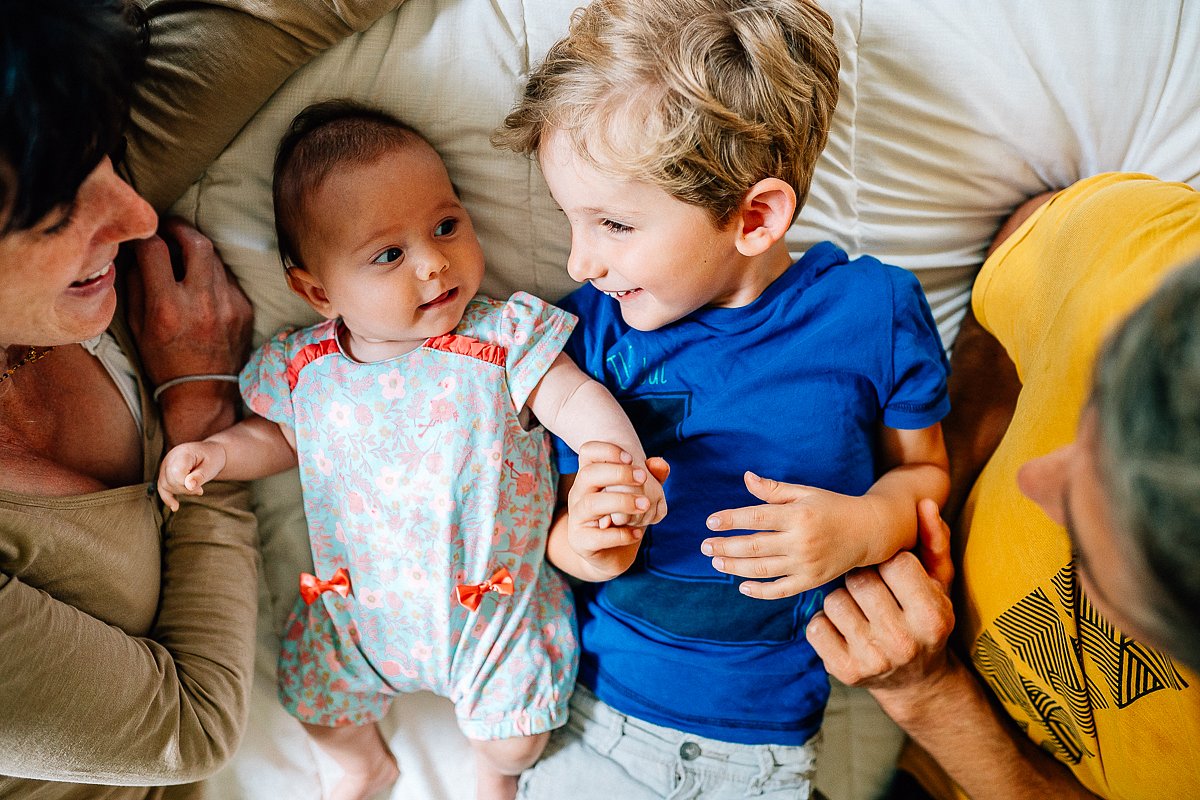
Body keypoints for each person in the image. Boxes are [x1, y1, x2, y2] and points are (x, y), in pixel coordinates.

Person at [493, 0, 952, 796]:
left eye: (612, 224)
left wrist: (862, 526)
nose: (580, 261)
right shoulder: (589, 336)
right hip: (600, 726)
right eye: (572, 221)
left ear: (754, 216)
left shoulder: (872, 314)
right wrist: (587, 537)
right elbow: (555, 547)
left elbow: (928, 478)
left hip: (767, 753)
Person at [155, 100, 666, 800]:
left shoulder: (501, 340)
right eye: (389, 254)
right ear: (316, 290)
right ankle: (364, 764)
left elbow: (573, 400)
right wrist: (216, 455)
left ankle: (493, 779)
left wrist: (613, 457)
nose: (433, 263)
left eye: (446, 226)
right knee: (318, 703)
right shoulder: (306, 370)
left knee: (515, 737)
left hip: (492, 610)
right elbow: (278, 439)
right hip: (357, 614)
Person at [806, 172, 1200, 799]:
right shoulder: (1145, 264)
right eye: (1089, 423)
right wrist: (928, 489)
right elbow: (1036, 249)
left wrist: (928, 694)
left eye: (1085, 535)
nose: (1030, 478)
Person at [0, 2, 259, 799]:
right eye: (64, 207)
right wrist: (205, 418)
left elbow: (285, 14)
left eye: (108, 156)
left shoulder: (42, 125)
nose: (137, 215)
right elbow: (195, 725)